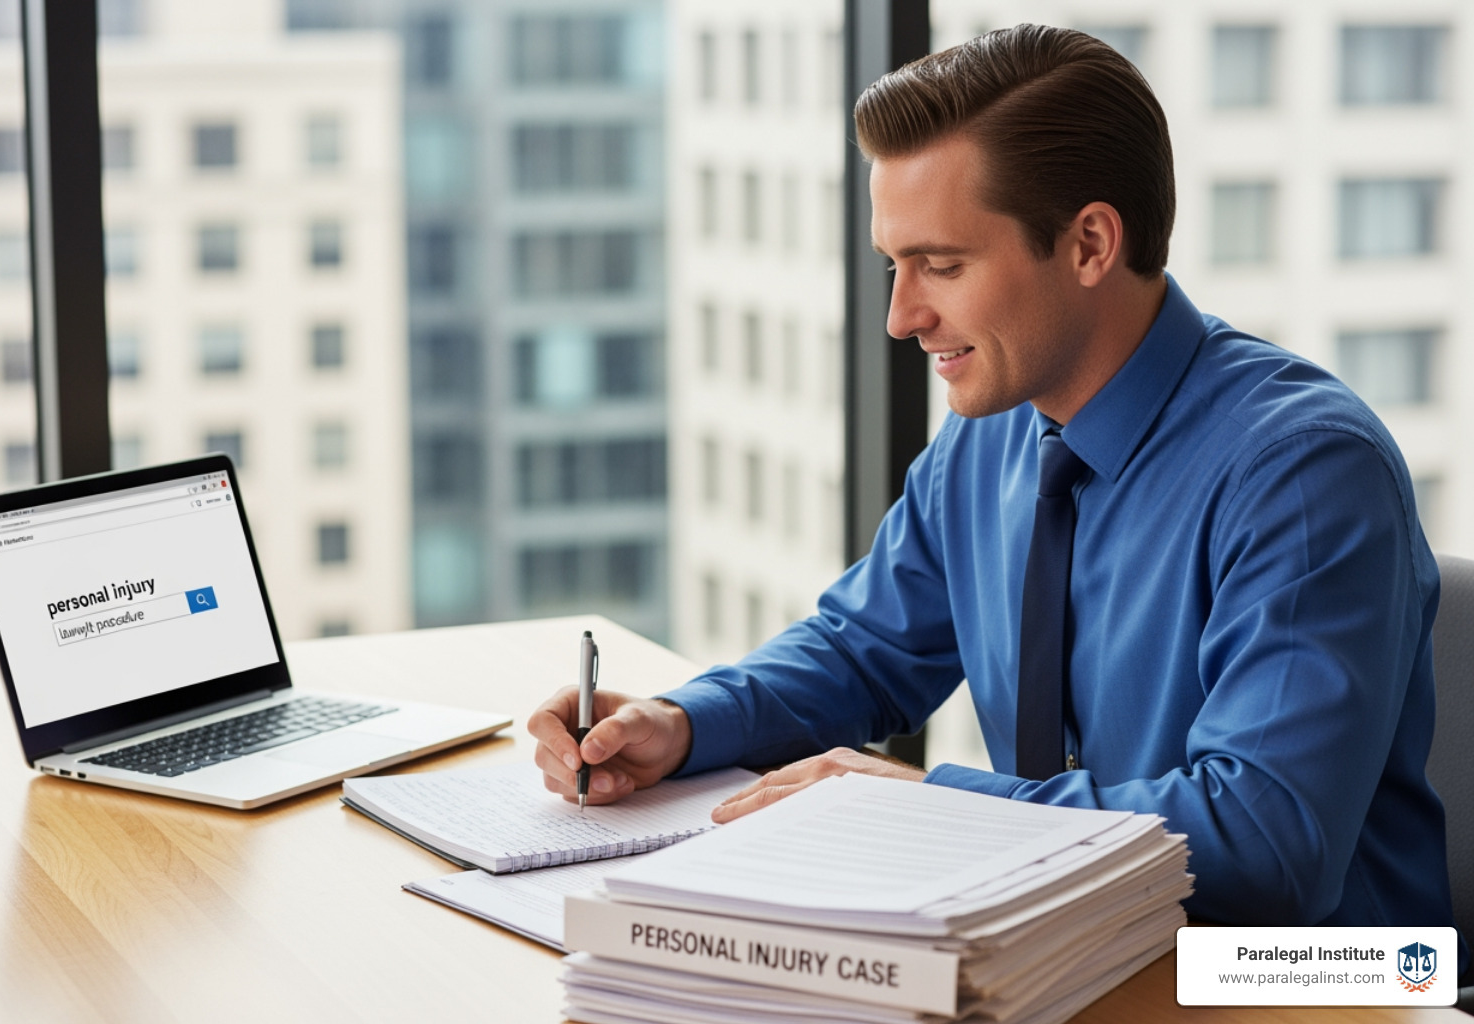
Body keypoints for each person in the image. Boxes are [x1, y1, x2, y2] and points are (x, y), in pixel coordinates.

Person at [529, 23, 1460, 938]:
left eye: (942, 265)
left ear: (1090, 244)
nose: (901, 317)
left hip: (1320, 981)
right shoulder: (993, 432)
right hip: (1072, 950)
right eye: (894, 266)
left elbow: (1267, 846)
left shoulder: (1303, 472)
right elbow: (863, 651)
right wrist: (680, 724)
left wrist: (932, 811)